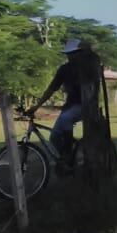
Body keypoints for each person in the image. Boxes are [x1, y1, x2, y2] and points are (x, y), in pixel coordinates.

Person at [29, 39, 99, 169]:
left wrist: (88, 48)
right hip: (70, 106)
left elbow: (95, 59)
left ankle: (68, 153)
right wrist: (37, 106)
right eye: (69, 54)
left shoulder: (88, 67)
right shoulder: (64, 69)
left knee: (66, 118)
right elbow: (51, 89)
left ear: (80, 53)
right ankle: (67, 161)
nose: (70, 56)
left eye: (73, 53)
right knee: (54, 138)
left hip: (86, 105)